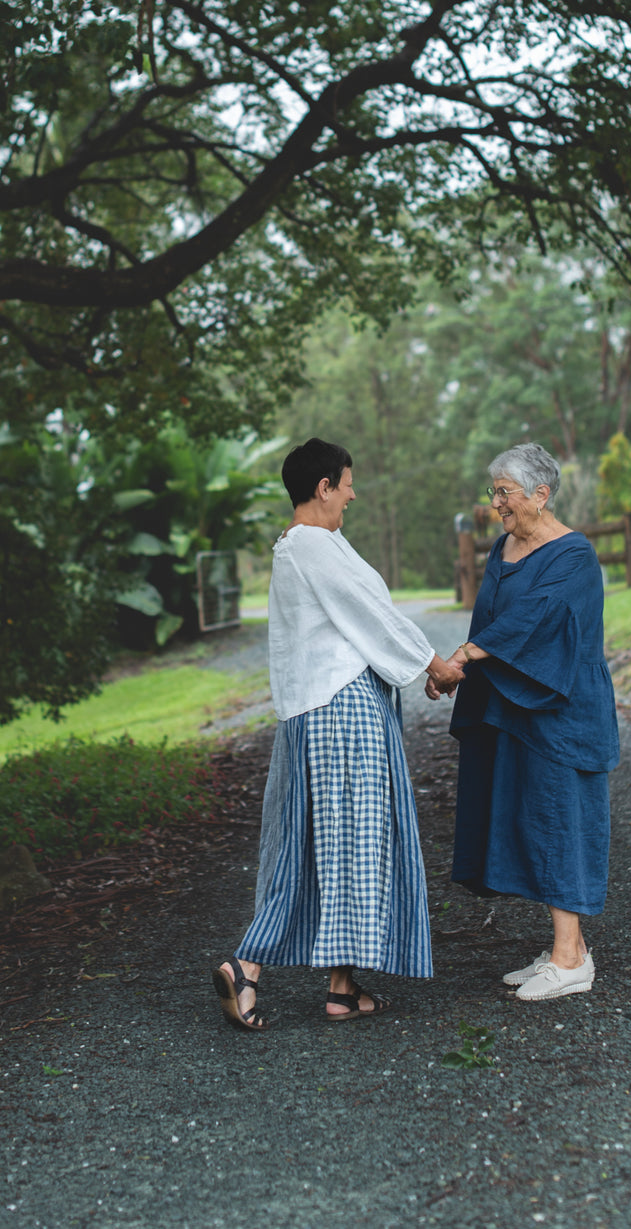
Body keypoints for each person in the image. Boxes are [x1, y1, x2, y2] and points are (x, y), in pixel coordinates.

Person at [213, 437, 464, 1031]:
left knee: (334, 845)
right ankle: (247, 966)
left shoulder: (310, 545)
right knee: (349, 844)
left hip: (323, 711)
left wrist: (415, 666)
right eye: (346, 482)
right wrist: (434, 665)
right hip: (342, 713)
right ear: (323, 487)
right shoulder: (309, 544)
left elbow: (359, 620)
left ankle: (342, 990)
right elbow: (371, 613)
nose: (353, 493)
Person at [427, 442, 619, 1002]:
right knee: (532, 818)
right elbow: (488, 619)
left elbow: (538, 619)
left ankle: (569, 962)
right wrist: (457, 666)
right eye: (494, 492)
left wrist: (464, 656)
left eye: (505, 493)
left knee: (562, 818)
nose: (496, 504)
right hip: (514, 704)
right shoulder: (502, 547)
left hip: (562, 708)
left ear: (541, 493)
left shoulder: (574, 556)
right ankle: (569, 949)